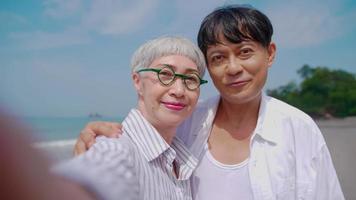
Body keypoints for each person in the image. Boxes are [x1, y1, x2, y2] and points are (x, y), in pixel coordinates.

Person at [74, 5, 344, 200]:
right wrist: (99, 134)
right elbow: (140, 140)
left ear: (269, 54)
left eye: (245, 52)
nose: (233, 67)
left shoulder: (298, 128)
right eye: (218, 58)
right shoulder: (186, 121)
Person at [54, 36, 208, 200]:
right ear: (137, 81)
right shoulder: (114, 148)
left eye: (191, 79)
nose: (179, 90)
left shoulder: (183, 154)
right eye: (165, 74)